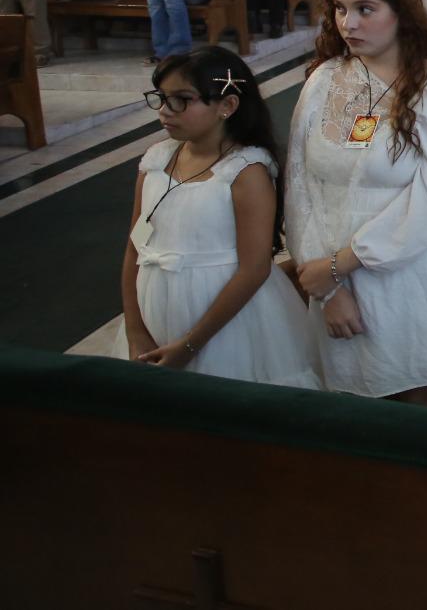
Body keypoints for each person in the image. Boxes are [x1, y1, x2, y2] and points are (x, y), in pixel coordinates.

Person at [284, 0, 427, 408]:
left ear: (401, 11)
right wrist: (327, 285)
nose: (349, 23)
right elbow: (298, 184)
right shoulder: (325, 79)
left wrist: (343, 264)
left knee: (417, 412)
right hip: (331, 280)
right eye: (341, 9)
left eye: (366, 9)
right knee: (349, 417)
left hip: (410, 277)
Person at [113, 47, 318, 387]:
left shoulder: (245, 170)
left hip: (227, 326)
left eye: (181, 99)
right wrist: (135, 330)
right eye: (161, 98)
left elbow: (254, 269)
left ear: (227, 105)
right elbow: (135, 248)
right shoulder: (155, 160)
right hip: (153, 315)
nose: (165, 111)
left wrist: (190, 344)